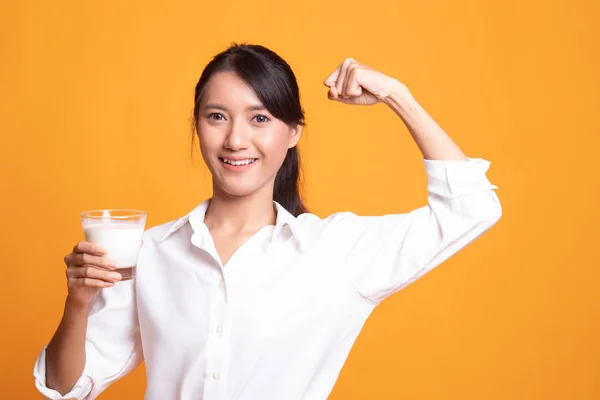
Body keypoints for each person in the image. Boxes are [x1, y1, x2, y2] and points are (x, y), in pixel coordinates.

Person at [33, 43, 502, 400]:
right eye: (217, 116)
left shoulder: (335, 253)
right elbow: (66, 387)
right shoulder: (150, 253)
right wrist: (78, 302)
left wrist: (396, 95)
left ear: (293, 132)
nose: (236, 139)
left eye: (259, 119)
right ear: (197, 125)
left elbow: (471, 208)